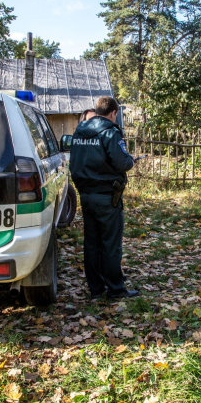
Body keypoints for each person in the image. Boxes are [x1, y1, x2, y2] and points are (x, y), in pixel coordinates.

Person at [68, 96, 139, 299]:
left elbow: (74, 163)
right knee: (110, 243)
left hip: (86, 195)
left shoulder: (80, 131)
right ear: (113, 113)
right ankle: (116, 289)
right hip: (108, 196)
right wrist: (130, 160)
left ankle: (96, 288)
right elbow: (122, 162)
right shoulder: (110, 132)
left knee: (92, 243)